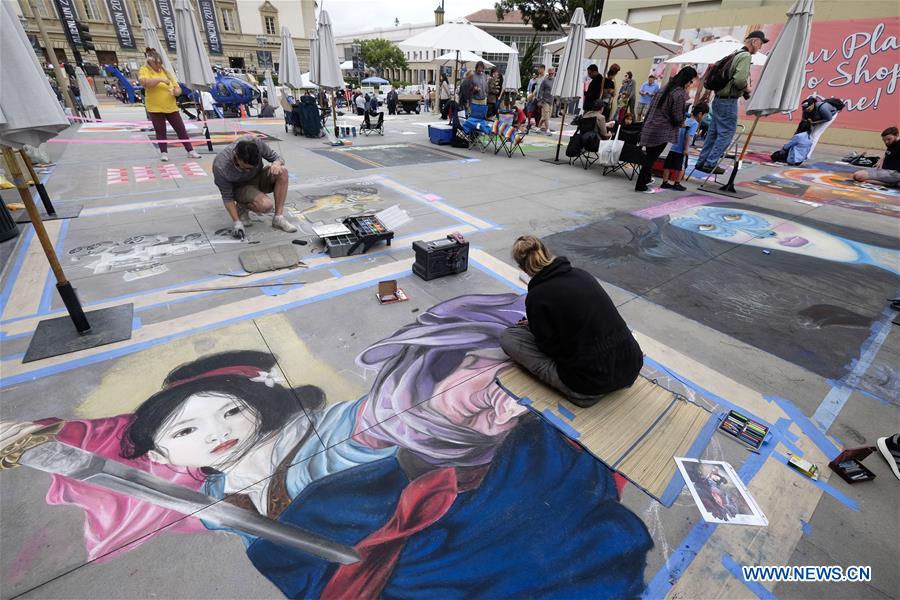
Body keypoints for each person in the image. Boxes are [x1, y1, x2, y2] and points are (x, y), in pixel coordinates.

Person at [500, 236, 643, 408]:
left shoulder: (537, 296)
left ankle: (583, 393)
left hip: (590, 383)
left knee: (509, 338)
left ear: (523, 268)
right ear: (547, 252)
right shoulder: (581, 274)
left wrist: (536, 328)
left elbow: (549, 349)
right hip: (631, 366)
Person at [696, 31, 769, 174]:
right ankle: (710, 163)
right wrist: (747, 88)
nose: (760, 47)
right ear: (754, 41)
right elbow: (739, 80)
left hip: (718, 99)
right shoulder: (745, 56)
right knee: (727, 133)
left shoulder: (735, 53)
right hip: (728, 100)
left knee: (713, 132)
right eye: (760, 43)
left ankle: (702, 161)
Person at [212, 137, 297, 238]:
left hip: (257, 178)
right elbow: (227, 198)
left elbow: (277, 158)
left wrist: (276, 163)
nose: (248, 171)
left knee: (282, 172)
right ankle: (242, 206)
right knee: (266, 205)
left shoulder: (256, 143)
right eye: (244, 168)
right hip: (240, 188)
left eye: (252, 168)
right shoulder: (220, 165)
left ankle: (278, 218)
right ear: (236, 157)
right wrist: (237, 222)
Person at [635, 66, 698, 193]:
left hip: (650, 126)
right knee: (651, 158)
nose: (690, 84)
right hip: (661, 130)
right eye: (691, 81)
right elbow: (677, 116)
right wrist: (682, 123)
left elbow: (652, 108)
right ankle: (641, 185)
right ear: (687, 80)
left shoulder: (665, 88)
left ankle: (646, 179)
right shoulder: (678, 93)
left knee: (650, 156)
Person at [138, 49, 200, 162]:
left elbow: (178, 88)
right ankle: (164, 152)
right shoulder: (144, 70)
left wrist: (176, 92)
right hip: (155, 107)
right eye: (156, 64)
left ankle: (190, 150)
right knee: (160, 130)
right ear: (150, 63)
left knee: (181, 129)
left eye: (160, 63)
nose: (159, 66)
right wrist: (160, 79)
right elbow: (145, 83)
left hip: (171, 106)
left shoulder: (166, 72)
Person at [661, 103, 708, 191]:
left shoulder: (686, 120)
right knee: (682, 167)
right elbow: (688, 136)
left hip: (674, 147)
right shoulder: (694, 123)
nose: (704, 117)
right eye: (704, 115)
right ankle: (677, 183)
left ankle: (665, 182)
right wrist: (686, 149)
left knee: (668, 165)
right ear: (700, 114)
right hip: (681, 149)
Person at [537, 67, 555, 135]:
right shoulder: (545, 81)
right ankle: (547, 129)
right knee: (546, 115)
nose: (551, 74)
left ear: (554, 73)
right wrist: (539, 100)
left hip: (551, 100)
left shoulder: (555, 81)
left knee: (545, 116)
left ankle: (538, 128)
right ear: (548, 73)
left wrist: (557, 99)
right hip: (545, 101)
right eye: (550, 73)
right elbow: (540, 90)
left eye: (552, 73)